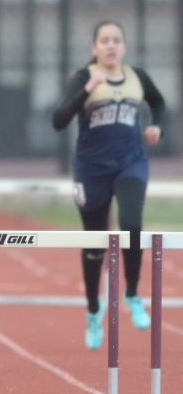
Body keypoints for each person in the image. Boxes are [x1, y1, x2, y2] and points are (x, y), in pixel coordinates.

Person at [53, 20, 166, 350]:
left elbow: (158, 102)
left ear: (124, 47)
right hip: (91, 170)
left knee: (131, 224)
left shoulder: (137, 78)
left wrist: (157, 126)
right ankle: (93, 310)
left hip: (130, 163)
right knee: (95, 243)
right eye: (104, 40)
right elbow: (58, 120)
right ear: (94, 48)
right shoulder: (82, 78)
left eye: (117, 40)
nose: (111, 46)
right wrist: (87, 90)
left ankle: (131, 294)